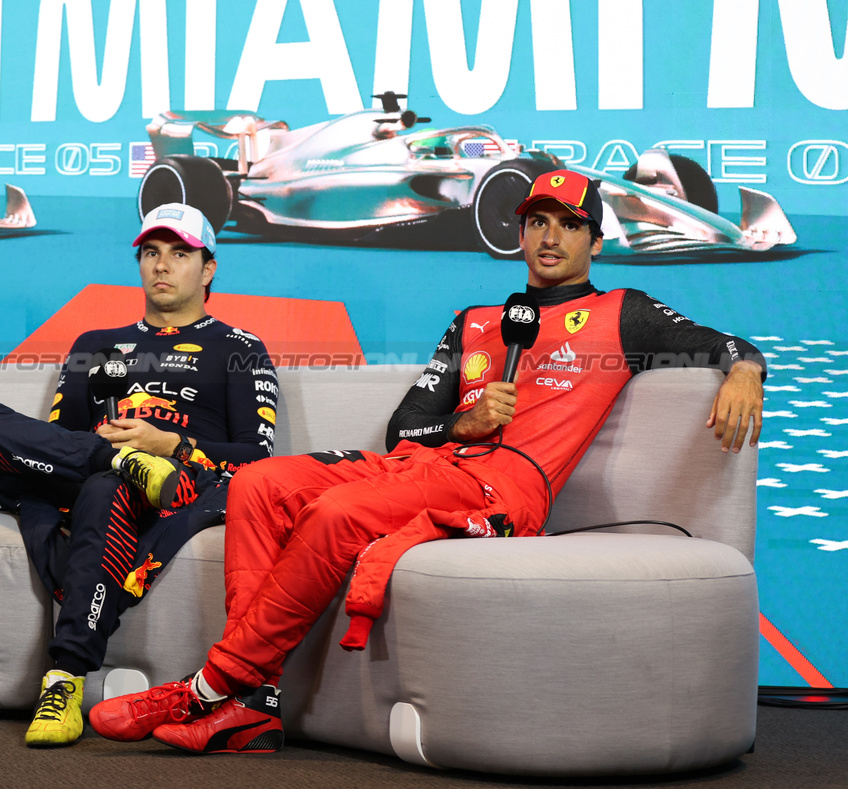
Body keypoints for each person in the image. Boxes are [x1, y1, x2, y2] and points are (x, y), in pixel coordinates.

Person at [89, 168, 767, 754]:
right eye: (537, 221)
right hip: (421, 464)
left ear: (595, 239)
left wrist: (743, 372)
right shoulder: (474, 320)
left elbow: (723, 342)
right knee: (261, 483)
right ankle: (254, 709)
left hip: (504, 487)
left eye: (569, 223)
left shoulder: (623, 313)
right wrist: (462, 422)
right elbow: (404, 426)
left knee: (337, 511)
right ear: (520, 233)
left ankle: (209, 686)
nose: (550, 237)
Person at [0, 202, 278, 747]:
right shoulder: (92, 345)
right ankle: (120, 463)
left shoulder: (239, 349)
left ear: (208, 268)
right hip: (94, 467)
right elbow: (60, 440)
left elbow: (258, 460)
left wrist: (171, 444)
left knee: (106, 486)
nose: (162, 266)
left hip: (177, 483)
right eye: (151, 253)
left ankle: (65, 678)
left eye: (179, 254)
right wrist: (110, 451)